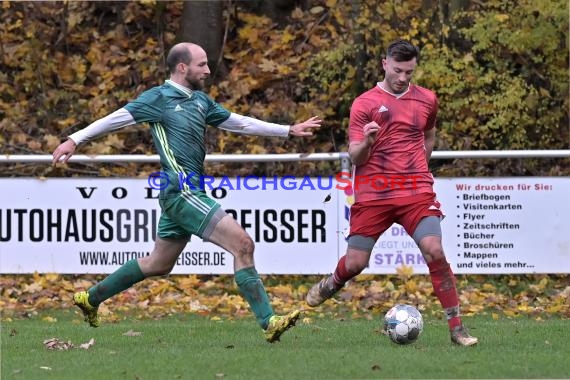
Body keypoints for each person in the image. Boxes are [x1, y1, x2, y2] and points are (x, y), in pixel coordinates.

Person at [52, 42, 322, 343]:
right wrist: (74, 139)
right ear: (182, 67)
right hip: (181, 190)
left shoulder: (201, 101)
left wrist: (287, 130)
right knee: (243, 244)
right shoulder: (158, 98)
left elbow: (240, 123)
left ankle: (90, 298)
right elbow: (116, 118)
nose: (207, 70)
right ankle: (268, 320)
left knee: (158, 263)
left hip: (182, 192)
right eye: (201, 64)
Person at [306, 39, 478, 346]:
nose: (402, 77)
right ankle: (333, 282)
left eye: (409, 71)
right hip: (374, 195)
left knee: (435, 251)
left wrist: (420, 166)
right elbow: (356, 157)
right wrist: (368, 141)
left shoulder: (426, 99)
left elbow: (429, 132)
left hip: (416, 193)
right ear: (385, 64)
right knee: (356, 263)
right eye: (397, 70)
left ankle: (457, 327)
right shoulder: (364, 103)